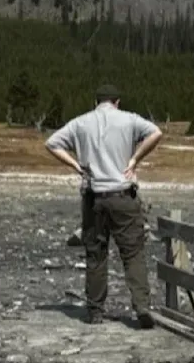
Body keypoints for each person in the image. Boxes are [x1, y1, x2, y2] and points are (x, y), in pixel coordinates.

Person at [46, 84, 164, 327]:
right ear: (117, 101)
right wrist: (134, 159)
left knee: (96, 254)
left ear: (96, 102)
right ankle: (141, 306)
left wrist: (76, 166)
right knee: (133, 253)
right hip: (123, 194)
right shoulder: (129, 120)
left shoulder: (80, 123)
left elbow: (52, 143)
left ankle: (95, 310)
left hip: (93, 195)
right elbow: (156, 133)